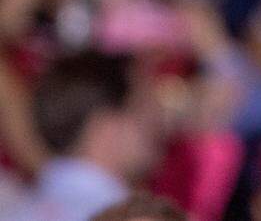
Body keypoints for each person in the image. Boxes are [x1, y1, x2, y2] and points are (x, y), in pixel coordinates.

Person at [2, 52, 162, 221]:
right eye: (143, 107)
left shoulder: (15, 211)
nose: (158, 121)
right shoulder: (124, 215)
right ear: (109, 126)